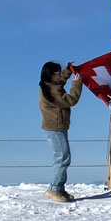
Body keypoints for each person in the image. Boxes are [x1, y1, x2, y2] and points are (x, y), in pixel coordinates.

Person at [38, 61, 83, 203]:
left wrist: (68, 71)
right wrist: (77, 84)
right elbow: (70, 100)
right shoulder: (51, 90)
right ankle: (54, 189)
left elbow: (60, 82)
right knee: (62, 158)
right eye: (57, 73)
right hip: (55, 128)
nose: (60, 76)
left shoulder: (50, 86)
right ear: (51, 76)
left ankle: (59, 188)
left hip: (58, 127)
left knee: (63, 157)